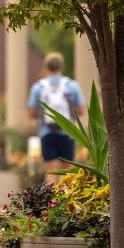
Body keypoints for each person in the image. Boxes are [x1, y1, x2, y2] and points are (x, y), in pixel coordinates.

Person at [27, 52, 86, 184]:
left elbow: (31, 112)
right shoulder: (72, 86)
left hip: (46, 132)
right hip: (68, 133)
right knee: (67, 173)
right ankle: (66, 202)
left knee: (50, 171)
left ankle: (51, 202)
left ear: (46, 67)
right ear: (62, 67)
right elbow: (82, 111)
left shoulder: (38, 87)